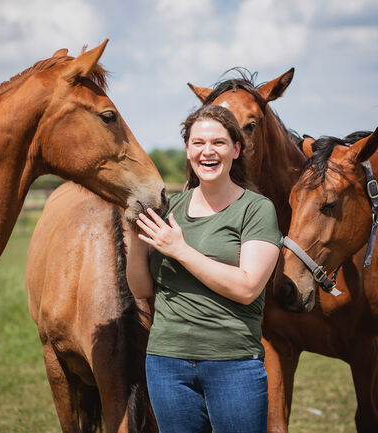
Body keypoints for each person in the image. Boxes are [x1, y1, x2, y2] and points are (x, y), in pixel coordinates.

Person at [126, 104, 282, 433]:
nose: (207, 152)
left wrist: (179, 250)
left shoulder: (255, 209)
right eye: (198, 143)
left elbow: (247, 288)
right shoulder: (170, 208)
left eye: (218, 143)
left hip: (233, 364)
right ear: (187, 149)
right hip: (167, 364)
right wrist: (135, 241)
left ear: (236, 150)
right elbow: (142, 289)